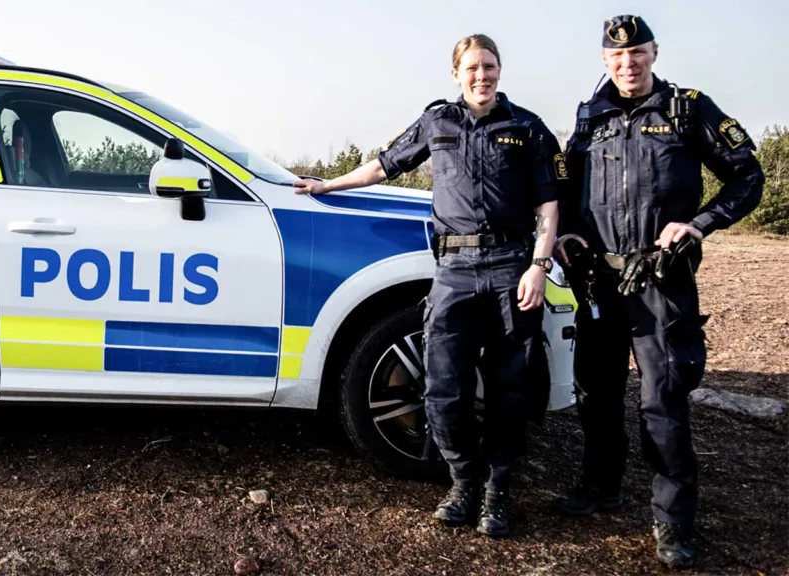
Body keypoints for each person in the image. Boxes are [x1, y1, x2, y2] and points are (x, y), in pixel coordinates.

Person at [294, 34, 565, 538]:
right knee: (442, 386)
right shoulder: (437, 121)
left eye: (489, 66)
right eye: (472, 67)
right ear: (456, 73)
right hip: (455, 269)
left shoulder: (527, 128)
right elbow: (384, 164)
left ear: (500, 70)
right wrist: (327, 185)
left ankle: (497, 493)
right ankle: (462, 484)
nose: (481, 75)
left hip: (510, 266)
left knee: (509, 388)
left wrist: (538, 265)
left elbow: (549, 204)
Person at [553, 14, 764, 568]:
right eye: (617, 56)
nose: (628, 64)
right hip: (599, 280)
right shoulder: (590, 117)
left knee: (662, 400)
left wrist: (700, 223)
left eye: (638, 52)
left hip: (660, 281)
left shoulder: (686, 109)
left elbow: (748, 176)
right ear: (605, 60)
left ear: (654, 52)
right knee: (596, 391)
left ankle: (673, 519)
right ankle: (602, 485)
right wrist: (568, 232)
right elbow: (567, 189)